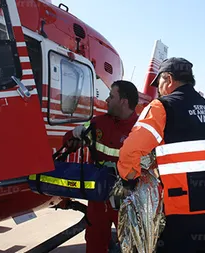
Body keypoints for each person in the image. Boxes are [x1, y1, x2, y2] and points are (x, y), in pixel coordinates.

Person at [116, 57, 205, 253]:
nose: (158, 90)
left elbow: (130, 150)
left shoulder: (162, 107)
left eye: (159, 83)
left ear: (168, 79)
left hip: (184, 208)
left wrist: (130, 179)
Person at [62, 80, 139, 253]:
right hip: (98, 198)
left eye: (112, 96)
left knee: (132, 245)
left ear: (123, 101)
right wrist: (73, 137)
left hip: (127, 200)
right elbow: (68, 140)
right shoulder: (98, 123)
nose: (106, 100)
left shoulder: (141, 129)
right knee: (95, 241)